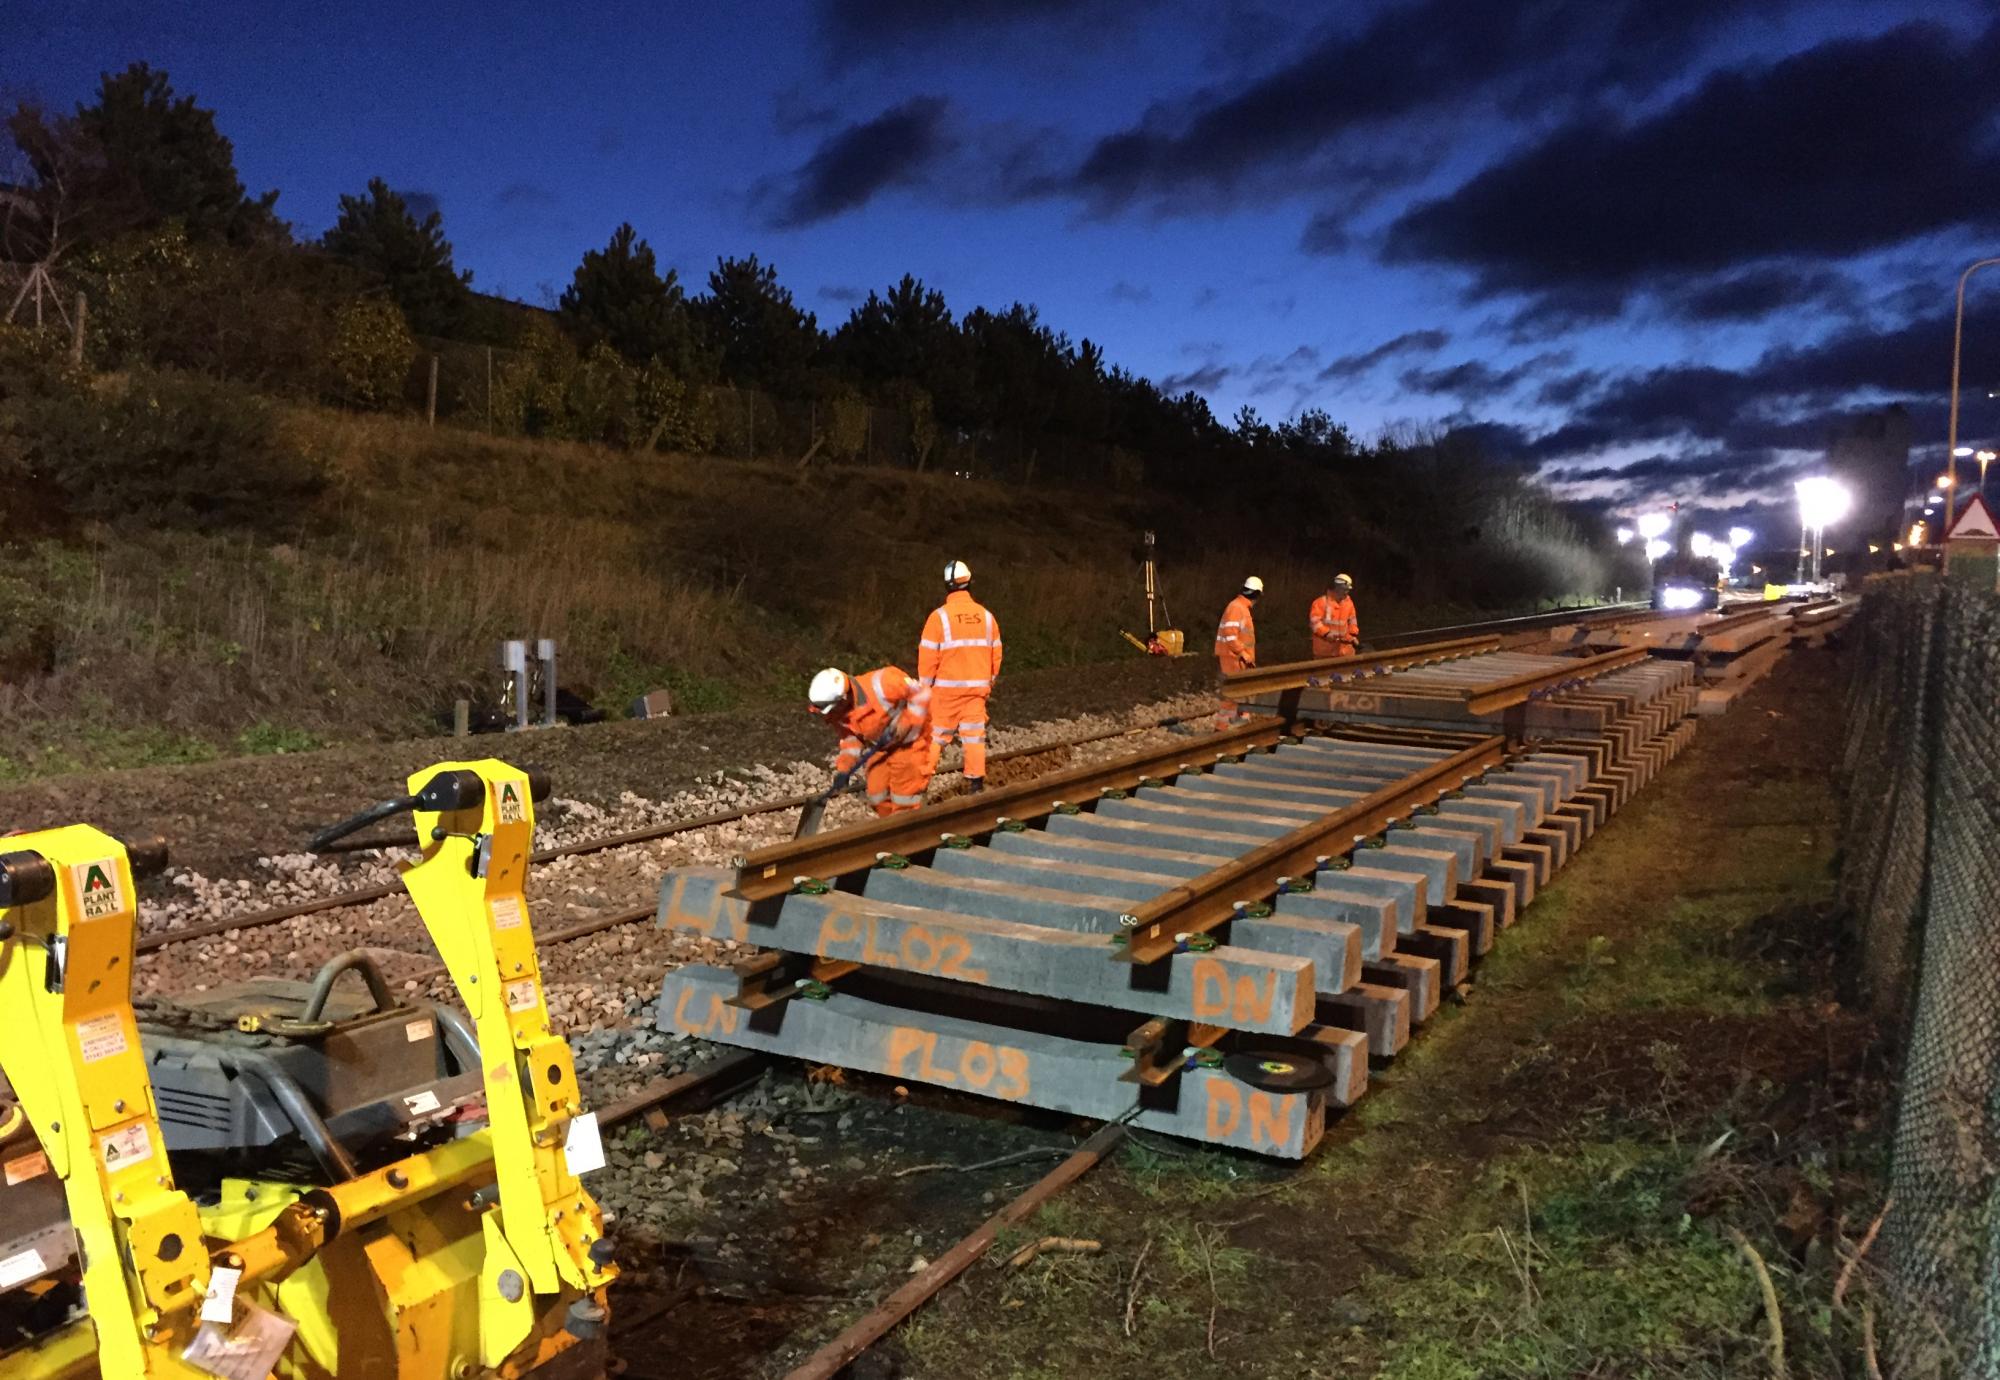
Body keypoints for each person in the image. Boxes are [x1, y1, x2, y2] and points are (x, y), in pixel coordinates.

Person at [918, 560, 1003, 794]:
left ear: (947, 586)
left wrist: (925, 689)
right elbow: (996, 654)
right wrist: (989, 682)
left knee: (936, 736)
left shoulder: (939, 618)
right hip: (977, 691)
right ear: (969, 583)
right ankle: (975, 785)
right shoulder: (986, 617)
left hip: (945, 691)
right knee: (974, 736)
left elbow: (927, 659)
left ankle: (920, 784)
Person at [806, 666, 934, 816]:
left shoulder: (883, 683)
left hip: (909, 745)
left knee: (905, 801)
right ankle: (891, 829)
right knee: (877, 796)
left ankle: (910, 831)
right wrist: (844, 769)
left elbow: (922, 693)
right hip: (881, 748)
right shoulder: (839, 714)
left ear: (843, 699)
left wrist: (906, 722)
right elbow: (851, 740)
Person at [1215, 575, 1262, 721]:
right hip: (1233, 657)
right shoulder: (1237, 608)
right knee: (1233, 693)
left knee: (1240, 691)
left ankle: (1239, 721)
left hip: (1237, 657)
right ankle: (1223, 727)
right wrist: (1243, 653)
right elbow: (1230, 635)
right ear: (1257, 594)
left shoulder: (1241, 607)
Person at [1309, 573, 1361, 658]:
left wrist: (1352, 636)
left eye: (1348, 590)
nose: (1346, 592)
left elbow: (1352, 622)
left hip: (1346, 653)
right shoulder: (1320, 603)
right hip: (1325, 653)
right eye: (1344, 589)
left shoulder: (1349, 603)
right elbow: (1315, 623)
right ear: (1337, 588)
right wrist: (1326, 633)